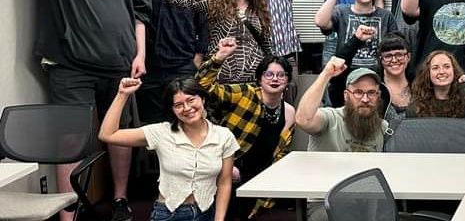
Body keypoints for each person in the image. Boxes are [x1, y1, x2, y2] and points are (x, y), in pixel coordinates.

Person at [2, 0, 151, 220]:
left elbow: (139, 10)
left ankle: (118, 198)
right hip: (70, 66)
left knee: (119, 135)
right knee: (69, 140)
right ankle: (67, 210)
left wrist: (140, 53)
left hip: (119, 63)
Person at [99, 77, 238, 221]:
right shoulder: (161, 132)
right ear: (172, 109)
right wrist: (122, 95)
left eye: (191, 100)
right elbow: (107, 134)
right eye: (178, 105)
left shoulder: (224, 136)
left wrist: (219, 219)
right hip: (169, 214)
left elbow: (224, 182)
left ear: (202, 99)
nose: (187, 108)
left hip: (206, 213)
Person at [195, 37, 294, 219]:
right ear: (259, 79)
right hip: (228, 168)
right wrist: (219, 58)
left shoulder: (289, 112)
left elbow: (281, 152)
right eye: (268, 74)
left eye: (281, 75)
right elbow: (200, 87)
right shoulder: (246, 93)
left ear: (287, 81)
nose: (275, 79)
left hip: (260, 176)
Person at [295, 52, 388, 221]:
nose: (365, 99)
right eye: (358, 92)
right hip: (326, 202)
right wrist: (326, 74)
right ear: (346, 95)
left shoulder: (383, 128)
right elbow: (303, 119)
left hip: (368, 204)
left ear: (378, 96)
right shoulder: (330, 119)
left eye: (371, 93)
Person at [137, 0, 209, 125]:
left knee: (186, 120)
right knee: (152, 125)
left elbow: (204, 26)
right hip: (150, 67)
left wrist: (198, 59)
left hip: (183, 65)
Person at [166, 0, 273, 84]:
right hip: (219, 82)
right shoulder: (213, 2)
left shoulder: (259, 6)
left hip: (255, 83)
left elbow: (267, 46)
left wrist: (272, 76)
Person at [315, 0, 397, 107]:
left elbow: (394, 48)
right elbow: (320, 21)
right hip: (344, 82)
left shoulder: (386, 16)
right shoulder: (341, 11)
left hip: (376, 82)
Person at [410, 51, 465, 121]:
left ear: (454, 70)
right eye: (435, 68)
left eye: (447, 66)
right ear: (427, 73)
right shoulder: (416, 108)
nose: (442, 71)